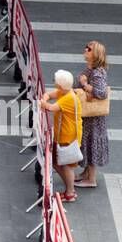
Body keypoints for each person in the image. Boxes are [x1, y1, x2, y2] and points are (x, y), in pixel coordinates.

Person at [39, 70, 82, 202]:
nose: (54, 84)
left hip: (68, 137)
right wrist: (44, 98)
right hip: (63, 135)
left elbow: (50, 107)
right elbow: (48, 95)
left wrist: (42, 102)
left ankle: (70, 192)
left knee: (66, 166)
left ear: (60, 86)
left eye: (55, 82)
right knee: (57, 163)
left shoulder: (68, 98)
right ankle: (69, 188)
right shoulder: (65, 92)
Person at [75, 41, 109, 188]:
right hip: (89, 117)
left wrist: (84, 85)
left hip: (93, 118)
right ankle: (86, 173)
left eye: (88, 49)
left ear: (95, 54)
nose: (85, 49)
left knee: (91, 143)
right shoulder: (91, 69)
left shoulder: (97, 73)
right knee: (86, 142)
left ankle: (91, 179)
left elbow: (102, 93)